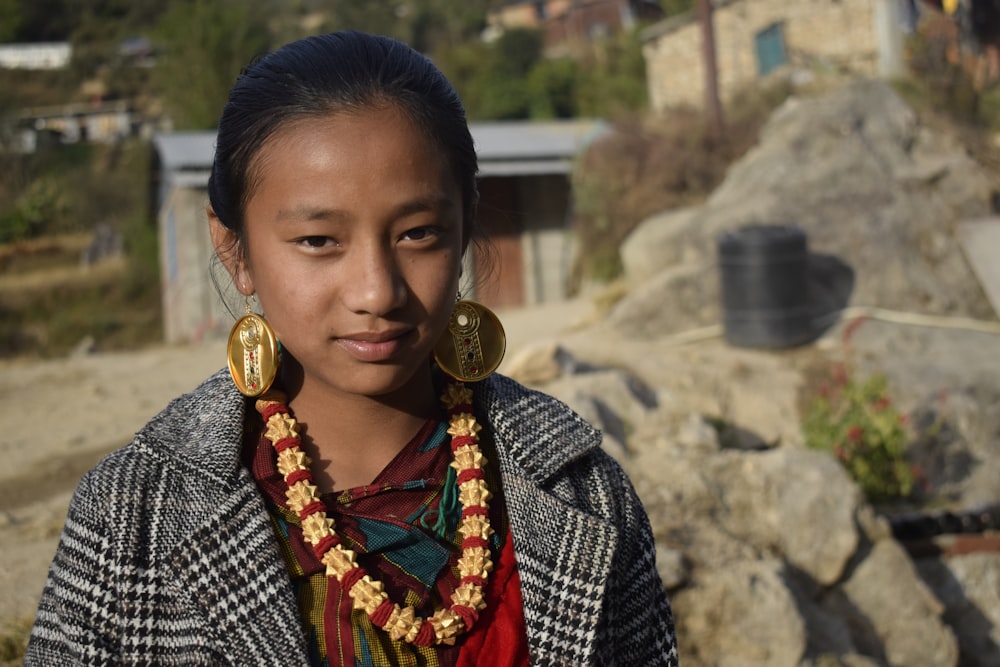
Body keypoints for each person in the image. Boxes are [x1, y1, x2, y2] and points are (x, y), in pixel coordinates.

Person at [26, 31, 677, 666]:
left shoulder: (579, 490)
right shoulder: (131, 520)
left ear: (466, 226)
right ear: (235, 250)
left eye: (419, 233)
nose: (376, 290)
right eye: (317, 241)